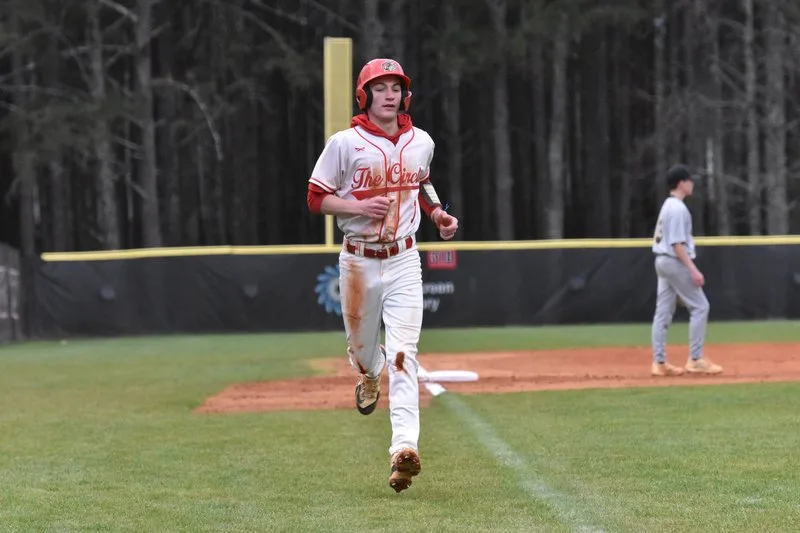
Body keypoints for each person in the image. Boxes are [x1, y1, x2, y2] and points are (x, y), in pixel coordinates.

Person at [306, 58, 459, 493]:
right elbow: (316, 198)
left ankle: (403, 449)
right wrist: (356, 207)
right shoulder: (344, 143)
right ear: (365, 95)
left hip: (405, 259)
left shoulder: (420, 141)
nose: (390, 94)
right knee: (362, 352)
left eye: (396, 87)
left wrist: (438, 214)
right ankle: (366, 374)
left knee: (403, 353)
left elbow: (422, 181)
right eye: (381, 87)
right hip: (358, 259)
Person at [650, 164, 722, 377]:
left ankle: (660, 362)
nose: (692, 184)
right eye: (690, 180)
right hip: (674, 261)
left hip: (662, 262)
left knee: (663, 312)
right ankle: (696, 359)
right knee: (701, 306)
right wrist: (693, 270)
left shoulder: (667, 205)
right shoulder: (679, 208)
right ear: (681, 183)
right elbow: (677, 244)